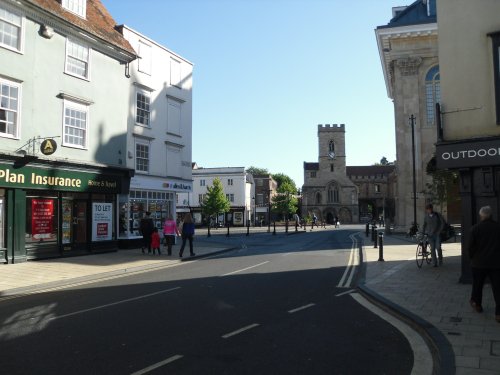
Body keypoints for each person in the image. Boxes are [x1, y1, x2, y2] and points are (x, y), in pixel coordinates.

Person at [466, 206, 500, 323]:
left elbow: (470, 247)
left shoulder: (475, 229)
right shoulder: (498, 227)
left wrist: (472, 258)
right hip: (496, 263)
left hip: (479, 263)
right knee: (497, 288)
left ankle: (478, 305)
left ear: (481, 216)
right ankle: (498, 313)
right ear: (491, 215)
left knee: (477, 285)